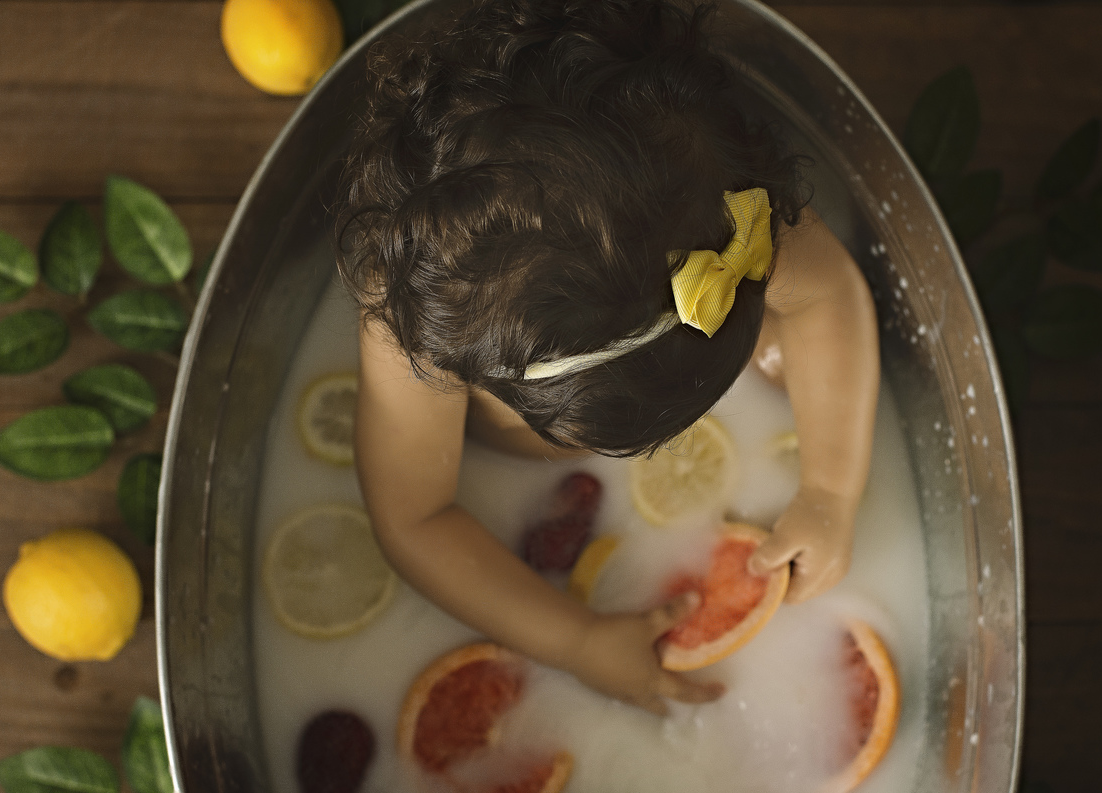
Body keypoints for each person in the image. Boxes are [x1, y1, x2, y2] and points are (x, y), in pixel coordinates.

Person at [335, 0, 879, 716]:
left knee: (786, 350)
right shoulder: (424, 321)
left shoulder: (720, 213)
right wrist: (576, 639)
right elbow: (415, 518)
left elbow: (825, 292)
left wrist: (830, 493)